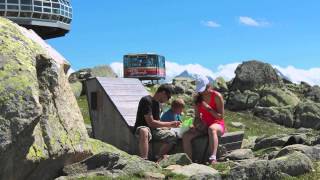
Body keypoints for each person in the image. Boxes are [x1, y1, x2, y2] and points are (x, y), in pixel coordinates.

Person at [182, 76, 225, 164]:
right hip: (204, 125)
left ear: (208, 86)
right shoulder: (197, 98)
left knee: (212, 129)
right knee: (186, 135)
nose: (202, 92)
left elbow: (220, 117)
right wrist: (195, 125)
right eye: (200, 90)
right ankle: (189, 161)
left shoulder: (217, 96)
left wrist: (208, 108)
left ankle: (213, 158)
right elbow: (197, 117)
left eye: (204, 89)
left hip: (217, 124)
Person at [133, 84, 181, 160]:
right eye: (168, 97)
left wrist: (167, 127)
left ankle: (158, 157)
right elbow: (150, 122)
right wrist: (170, 124)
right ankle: (144, 159)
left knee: (172, 135)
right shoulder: (146, 100)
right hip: (143, 126)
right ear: (163, 93)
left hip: (154, 130)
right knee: (144, 131)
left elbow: (157, 122)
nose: (168, 100)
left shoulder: (158, 104)